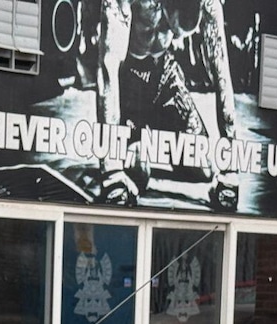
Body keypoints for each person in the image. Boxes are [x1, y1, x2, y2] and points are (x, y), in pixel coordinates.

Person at [95, 0, 240, 209]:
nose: (177, 36)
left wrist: (230, 170)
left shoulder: (208, 3)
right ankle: (136, 141)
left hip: (165, 74)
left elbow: (221, 71)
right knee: (137, 173)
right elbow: (108, 70)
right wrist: (111, 171)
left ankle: (153, 142)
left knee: (203, 168)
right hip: (130, 83)